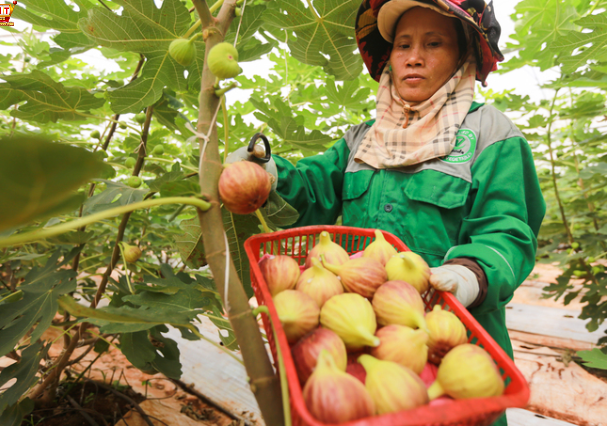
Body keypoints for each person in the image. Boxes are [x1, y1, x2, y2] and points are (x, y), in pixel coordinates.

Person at [230, 1, 545, 424]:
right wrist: (267, 171)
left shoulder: (493, 135)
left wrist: (473, 273)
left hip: (452, 347)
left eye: (433, 43)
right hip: (363, 339)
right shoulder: (362, 138)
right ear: (389, 58)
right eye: (403, 45)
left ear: (462, 55)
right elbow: (313, 189)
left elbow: (509, 230)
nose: (414, 56)